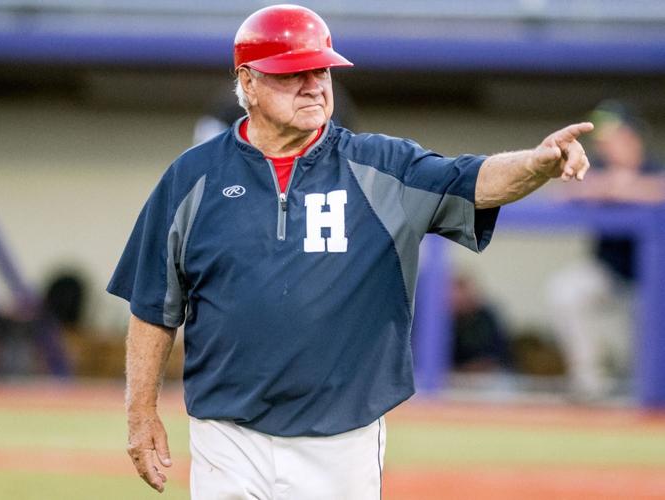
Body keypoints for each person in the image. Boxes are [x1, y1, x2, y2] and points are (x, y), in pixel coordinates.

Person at [106, 4, 593, 498]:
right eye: (293, 73)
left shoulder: (381, 166)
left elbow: (475, 182)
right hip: (227, 437)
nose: (314, 84)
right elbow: (153, 305)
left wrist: (538, 162)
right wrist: (140, 412)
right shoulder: (192, 177)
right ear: (248, 83)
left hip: (343, 439)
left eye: (321, 70)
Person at [546, 100, 665, 401]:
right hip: (609, 276)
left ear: (632, 137)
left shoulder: (653, 168)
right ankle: (590, 386)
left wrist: (630, 188)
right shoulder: (597, 169)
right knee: (566, 290)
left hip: (655, 281)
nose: (605, 148)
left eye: (613, 139)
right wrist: (606, 186)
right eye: (602, 142)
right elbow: (563, 189)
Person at [450, 273, 512, 373]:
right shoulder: (442, 321)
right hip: (453, 375)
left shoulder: (487, 317)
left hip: (487, 374)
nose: (460, 300)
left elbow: (498, 353)